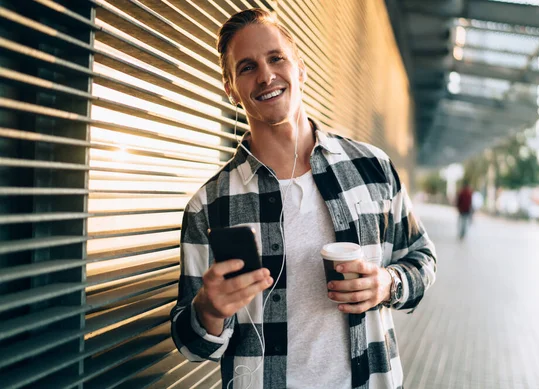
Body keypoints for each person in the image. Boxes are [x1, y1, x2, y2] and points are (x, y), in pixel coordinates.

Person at [170, 8, 437, 389]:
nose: (265, 75)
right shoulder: (210, 205)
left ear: (301, 68)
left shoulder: (372, 168)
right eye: (246, 67)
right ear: (230, 89)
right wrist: (208, 311)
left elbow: (423, 258)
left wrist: (387, 284)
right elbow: (191, 346)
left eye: (276, 58)